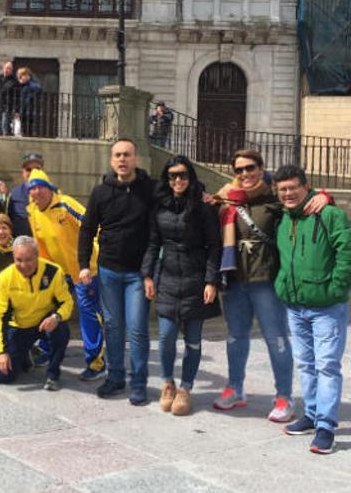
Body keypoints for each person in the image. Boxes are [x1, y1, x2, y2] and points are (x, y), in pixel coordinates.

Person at [210, 149, 327, 421]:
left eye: (250, 168)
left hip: (267, 280)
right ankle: (235, 388)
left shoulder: (275, 198)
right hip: (235, 279)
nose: (245, 174)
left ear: (261, 168)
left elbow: (302, 201)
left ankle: (284, 396)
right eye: (239, 170)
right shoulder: (226, 199)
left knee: (276, 339)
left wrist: (323, 196)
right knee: (235, 337)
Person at [273, 165, 350, 454]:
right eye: (283, 189)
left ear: (306, 187)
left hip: (326, 306)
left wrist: (337, 289)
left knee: (327, 365)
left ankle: (326, 426)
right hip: (295, 305)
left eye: (294, 187)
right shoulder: (283, 217)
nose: (289, 193)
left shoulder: (329, 214)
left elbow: (347, 252)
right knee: (305, 364)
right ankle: (313, 413)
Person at [141, 156, 221, 416]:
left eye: (183, 175)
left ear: (191, 177)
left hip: (196, 279)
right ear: (167, 178)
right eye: (173, 175)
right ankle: (167, 383)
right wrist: (148, 275)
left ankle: (186, 388)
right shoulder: (159, 207)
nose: (178, 180)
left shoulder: (203, 207)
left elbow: (214, 246)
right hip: (168, 278)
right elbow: (153, 243)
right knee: (165, 337)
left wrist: (211, 280)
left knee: (193, 341)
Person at [78, 138, 155, 405]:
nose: (122, 159)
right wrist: (83, 265)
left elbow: (181, 193)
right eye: (118, 155)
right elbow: (87, 229)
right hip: (109, 270)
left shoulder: (151, 189)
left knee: (136, 329)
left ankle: (138, 382)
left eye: (127, 155)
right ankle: (115, 377)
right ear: (112, 161)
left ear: (136, 159)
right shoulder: (100, 192)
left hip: (137, 273)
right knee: (112, 326)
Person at [27, 168, 106, 381]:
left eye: (40, 187)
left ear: (49, 188)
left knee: (88, 313)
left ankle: (96, 363)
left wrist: (97, 249)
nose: (37, 192)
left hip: (84, 268)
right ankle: (45, 350)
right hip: (59, 271)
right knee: (47, 305)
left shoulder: (65, 204)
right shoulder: (33, 212)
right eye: (32, 188)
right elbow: (40, 245)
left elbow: (91, 223)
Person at [0, 236, 74, 390]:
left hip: (44, 324)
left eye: (29, 260)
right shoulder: (5, 277)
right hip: (19, 327)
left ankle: (53, 374)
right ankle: (24, 355)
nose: (24, 265)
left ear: (37, 256)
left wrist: (56, 317)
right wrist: (2, 352)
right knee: (3, 376)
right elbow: (0, 316)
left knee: (61, 329)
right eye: (19, 260)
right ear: (13, 257)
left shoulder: (53, 271)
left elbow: (67, 302)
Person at [6, 152, 43, 238]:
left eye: (37, 169)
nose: (33, 172)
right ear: (22, 172)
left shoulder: (53, 194)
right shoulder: (14, 195)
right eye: (28, 169)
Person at [16, 67, 42, 137]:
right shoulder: (20, 86)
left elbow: (38, 88)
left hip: (30, 111)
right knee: (23, 130)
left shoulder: (32, 84)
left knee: (30, 129)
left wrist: (28, 83)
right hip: (23, 111)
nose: (21, 78)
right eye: (20, 77)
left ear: (27, 76)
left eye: (23, 76)